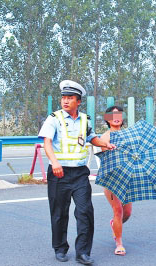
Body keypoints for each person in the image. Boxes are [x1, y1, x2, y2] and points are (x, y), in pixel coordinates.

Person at [38, 80, 115, 265]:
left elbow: (92, 138)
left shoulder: (85, 120)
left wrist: (105, 144)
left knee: (85, 211)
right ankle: (60, 248)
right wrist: (54, 162)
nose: (65, 101)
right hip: (59, 173)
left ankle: (83, 252)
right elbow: (46, 142)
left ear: (78, 101)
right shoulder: (53, 118)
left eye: (70, 98)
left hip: (80, 173)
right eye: (64, 98)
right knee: (59, 212)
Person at [100, 105, 132, 256]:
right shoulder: (105, 138)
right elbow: (106, 160)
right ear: (107, 119)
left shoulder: (128, 135)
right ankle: (119, 243)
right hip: (111, 178)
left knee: (127, 213)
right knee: (118, 210)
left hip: (127, 178)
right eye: (112, 115)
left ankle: (114, 224)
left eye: (119, 114)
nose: (116, 117)